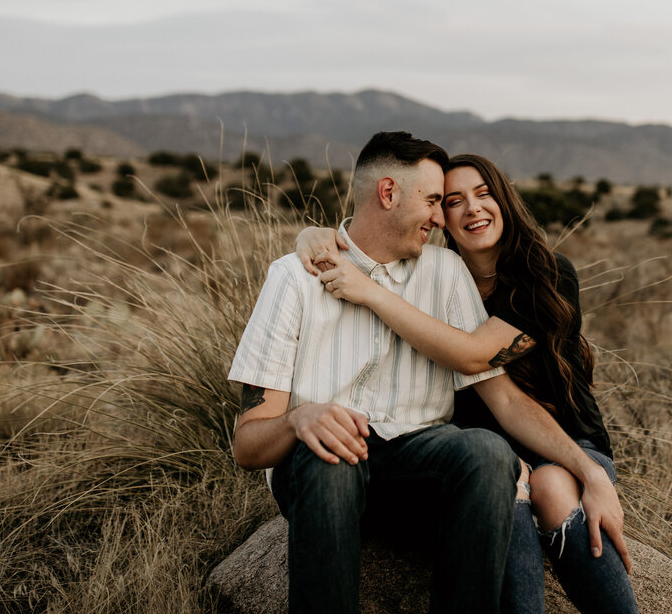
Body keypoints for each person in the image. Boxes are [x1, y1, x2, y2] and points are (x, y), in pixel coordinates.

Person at [230, 132, 623, 614]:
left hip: (422, 468)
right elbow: (247, 447)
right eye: (437, 201)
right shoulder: (294, 277)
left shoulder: (449, 273)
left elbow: (496, 389)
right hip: (320, 474)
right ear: (388, 193)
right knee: (333, 450)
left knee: (487, 451)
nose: (442, 218)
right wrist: (298, 418)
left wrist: (590, 472)